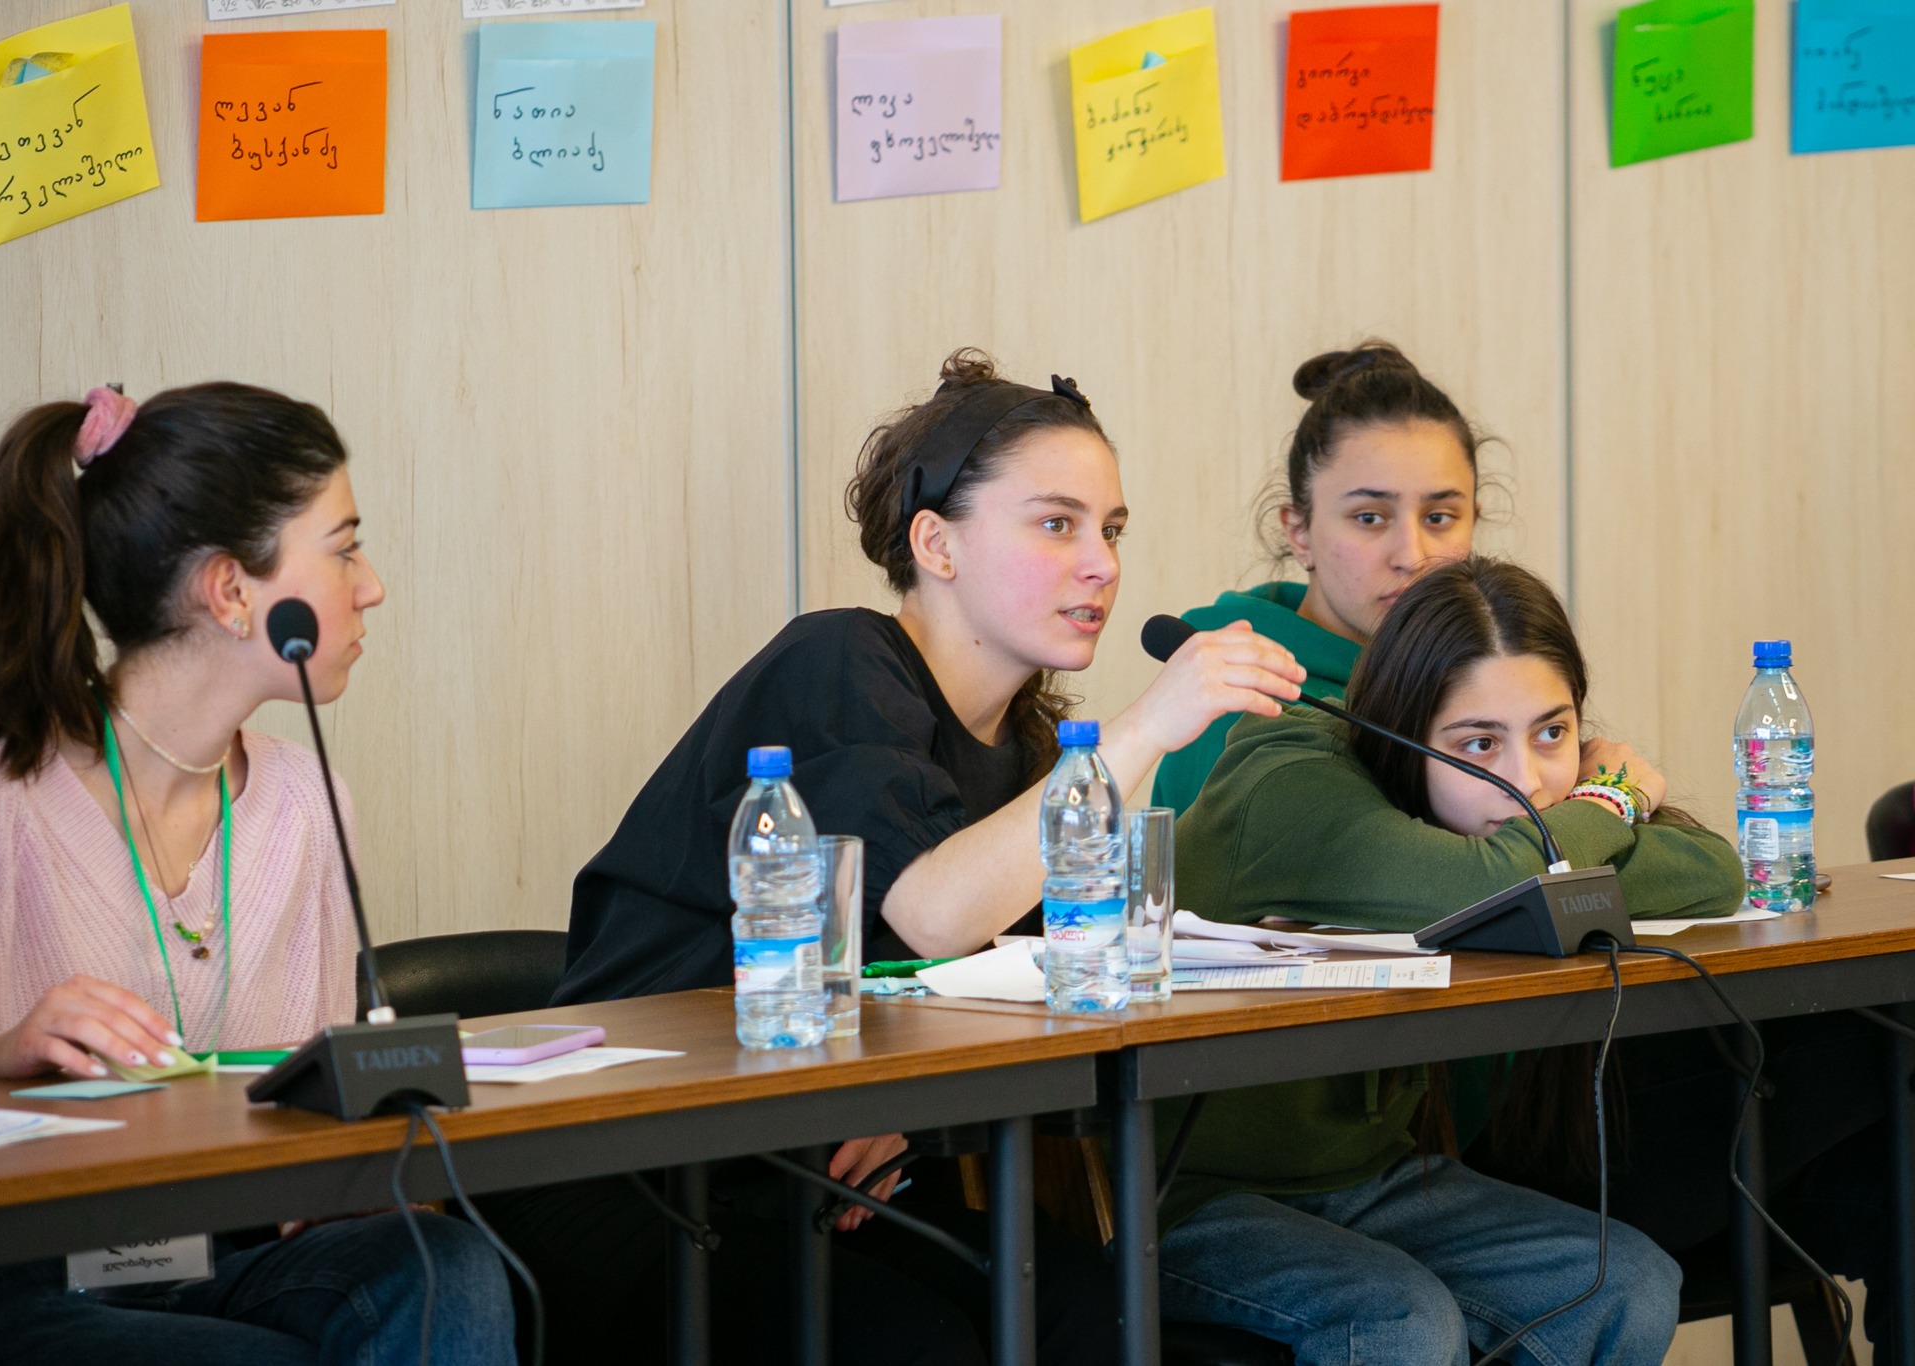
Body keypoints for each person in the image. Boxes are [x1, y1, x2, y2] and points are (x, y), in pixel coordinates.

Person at [488, 349, 1306, 1366]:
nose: (1101, 563)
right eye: (1057, 524)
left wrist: (899, 1110)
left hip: (801, 1167)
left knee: (1085, 1311)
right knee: (917, 1344)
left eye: (1111, 530)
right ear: (936, 543)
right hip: (623, 1167)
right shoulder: (836, 662)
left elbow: (989, 990)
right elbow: (931, 912)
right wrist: (1147, 727)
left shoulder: (1029, 751)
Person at [0, 383, 516, 1366]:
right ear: (232, 592)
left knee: (448, 1266)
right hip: (35, 1271)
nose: (371, 587)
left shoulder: (309, 797)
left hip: (237, 1247)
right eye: (344, 548)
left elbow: (320, 1095)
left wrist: (350, 1161)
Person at [1163, 557, 1729, 1366]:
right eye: (1479, 743)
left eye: (1553, 733)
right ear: (1402, 732)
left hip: (1368, 1176)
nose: (1527, 782)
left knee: (1625, 1283)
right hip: (1181, 1193)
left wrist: (1570, 840)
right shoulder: (1288, 773)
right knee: (1401, 1320)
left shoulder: (1476, 821)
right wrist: (1610, 801)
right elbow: (1490, 883)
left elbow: (1712, 872)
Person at [1151, 341, 1481, 817]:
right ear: (1299, 532)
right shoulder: (1236, 701)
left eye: (1439, 517)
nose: (1412, 556)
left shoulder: (1489, 679)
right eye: (1369, 518)